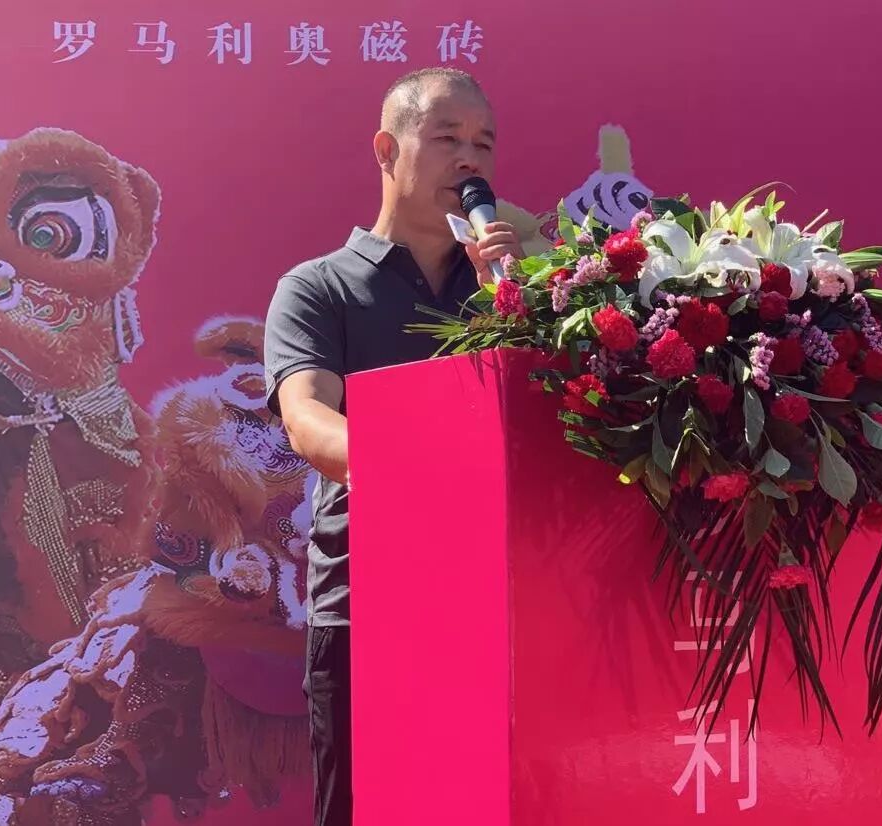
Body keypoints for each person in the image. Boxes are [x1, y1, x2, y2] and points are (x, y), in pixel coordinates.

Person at [263, 67, 524, 826]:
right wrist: (422, 472)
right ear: (387, 149)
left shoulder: (507, 291)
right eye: (447, 138)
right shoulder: (320, 288)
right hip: (367, 606)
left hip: (498, 608)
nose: (469, 158)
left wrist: (521, 306)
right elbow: (308, 421)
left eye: (484, 143)